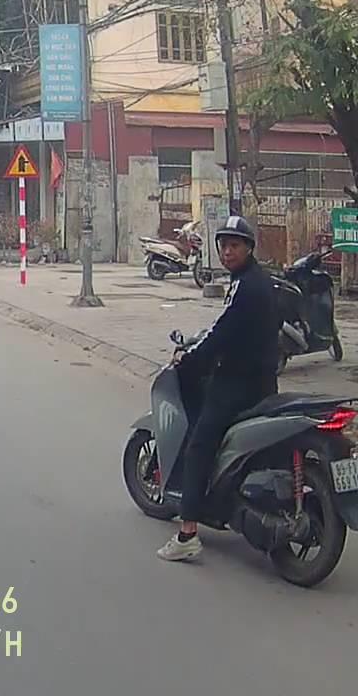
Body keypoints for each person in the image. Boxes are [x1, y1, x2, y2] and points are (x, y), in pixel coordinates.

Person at [157, 216, 279, 562]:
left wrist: (189, 358)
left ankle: (187, 533)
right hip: (263, 380)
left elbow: (221, 333)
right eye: (223, 245)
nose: (227, 252)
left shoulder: (245, 285)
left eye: (234, 246)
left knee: (199, 445)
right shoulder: (259, 281)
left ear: (249, 248)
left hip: (238, 383)